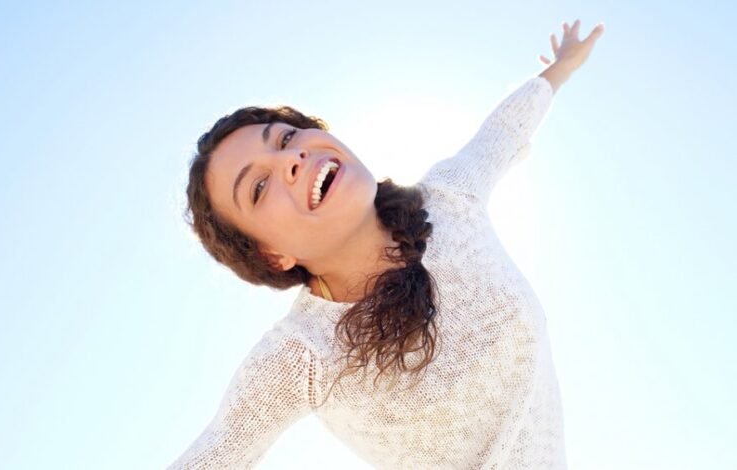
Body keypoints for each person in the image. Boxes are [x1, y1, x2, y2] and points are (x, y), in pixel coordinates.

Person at [169, 19, 605, 469]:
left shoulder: (449, 199)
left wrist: (562, 66)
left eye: (286, 137)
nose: (291, 159)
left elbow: (505, 130)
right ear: (271, 255)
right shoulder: (304, 353)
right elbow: (217, 452)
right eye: (259, 187)